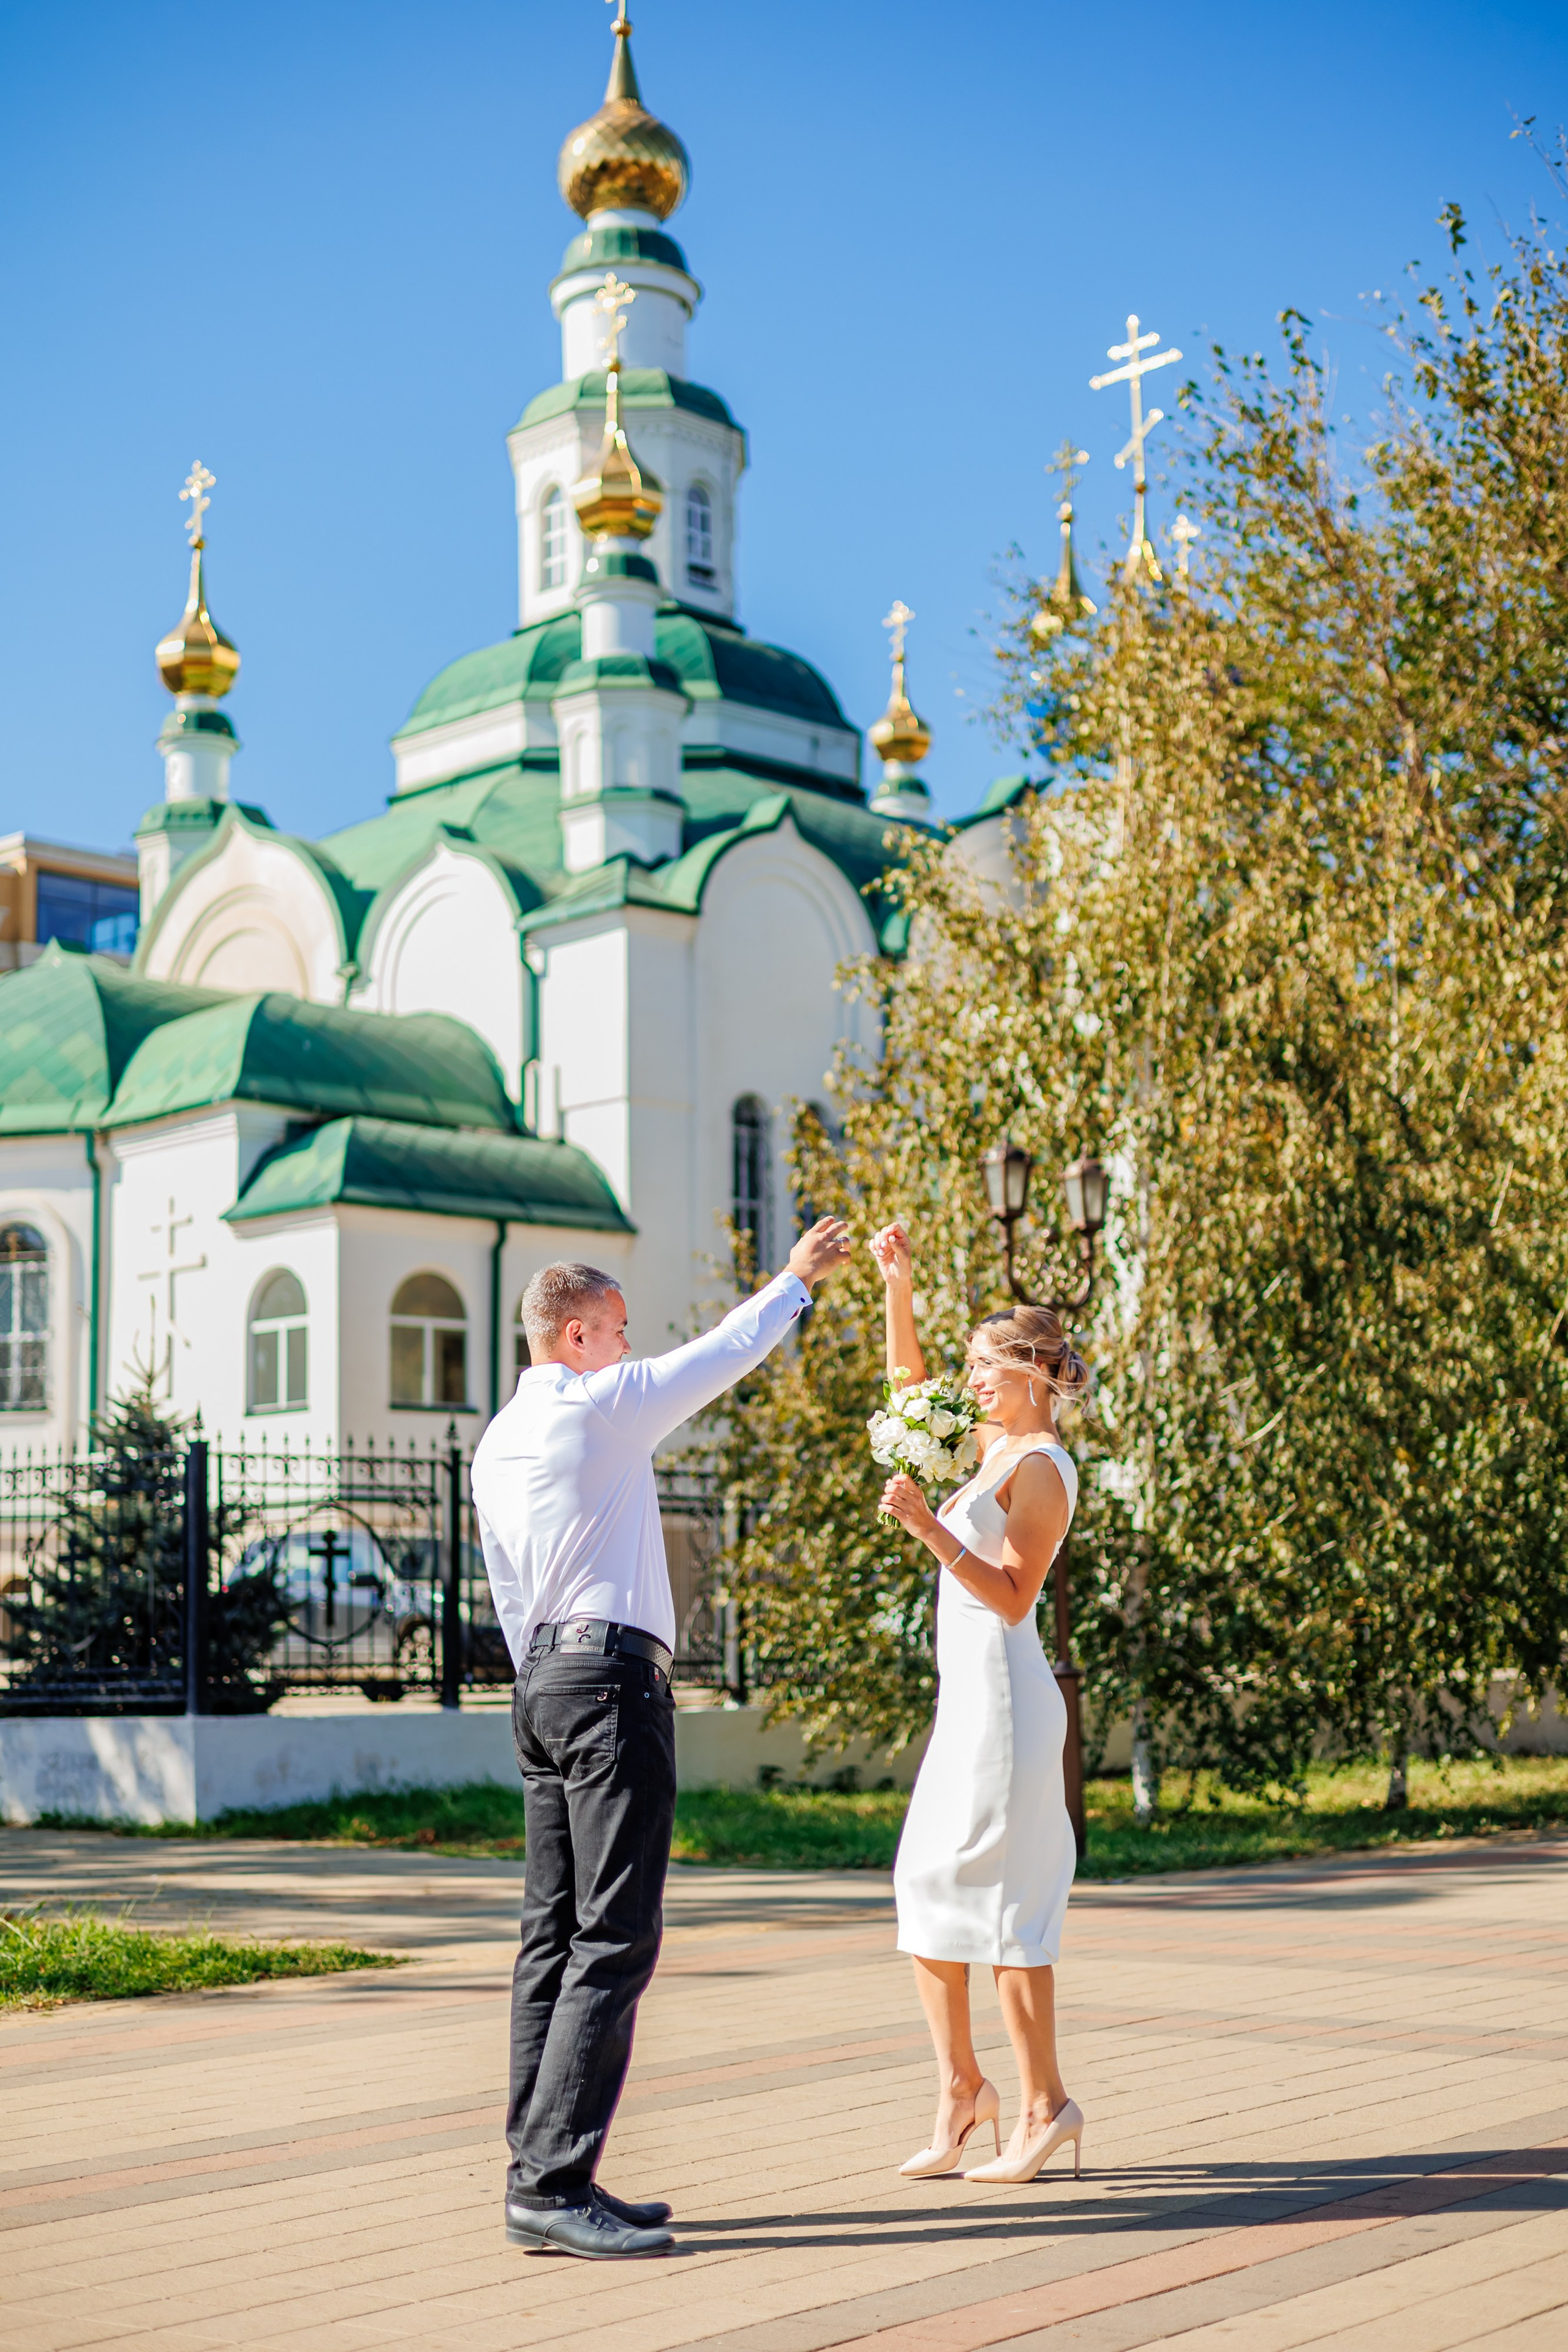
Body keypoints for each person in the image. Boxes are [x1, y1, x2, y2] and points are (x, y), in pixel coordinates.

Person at [472, 1218, 851, 2260]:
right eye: (619, 1328)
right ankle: (552, 2183)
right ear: (577, 1335)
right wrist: (795, 1280)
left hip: (542, 1683)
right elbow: (725, 1354)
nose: (631, 1345)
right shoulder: (603, 1402)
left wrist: (544, 1683)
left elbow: (509, 1589)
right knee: (616, 1932)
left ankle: (539, 2172)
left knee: (551, 1937)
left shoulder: (495, 1442)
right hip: (609, 1688)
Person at [870, 1219, 1087, 2185]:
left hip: (1007, 1705)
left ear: (1032, 1372)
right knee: (925, 1885)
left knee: (1008, 1908)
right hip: (967, 1706)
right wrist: (899, 1287)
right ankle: (964, 2090)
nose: (971, 1383)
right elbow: (910, 1399)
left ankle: (1045, 2106)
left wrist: (930, 1529)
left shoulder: (1039, 1468)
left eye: (984, 1368)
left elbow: (1011, 1598)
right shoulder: (994, 1448)